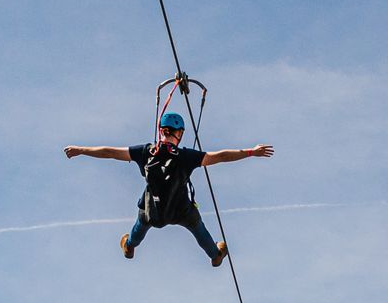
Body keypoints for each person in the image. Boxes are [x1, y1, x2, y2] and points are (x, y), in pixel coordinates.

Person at [65, 112, 273, 264]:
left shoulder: (146, 151)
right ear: (179, 133)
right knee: (200, 231)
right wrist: (250, 152)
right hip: (181, 209)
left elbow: (109, 152)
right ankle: (215, 256)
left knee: (140, 227)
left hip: (153, 211)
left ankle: (129, 246)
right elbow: (221, 156)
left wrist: (81, 150)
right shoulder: (186, 156)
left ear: (161, 131)